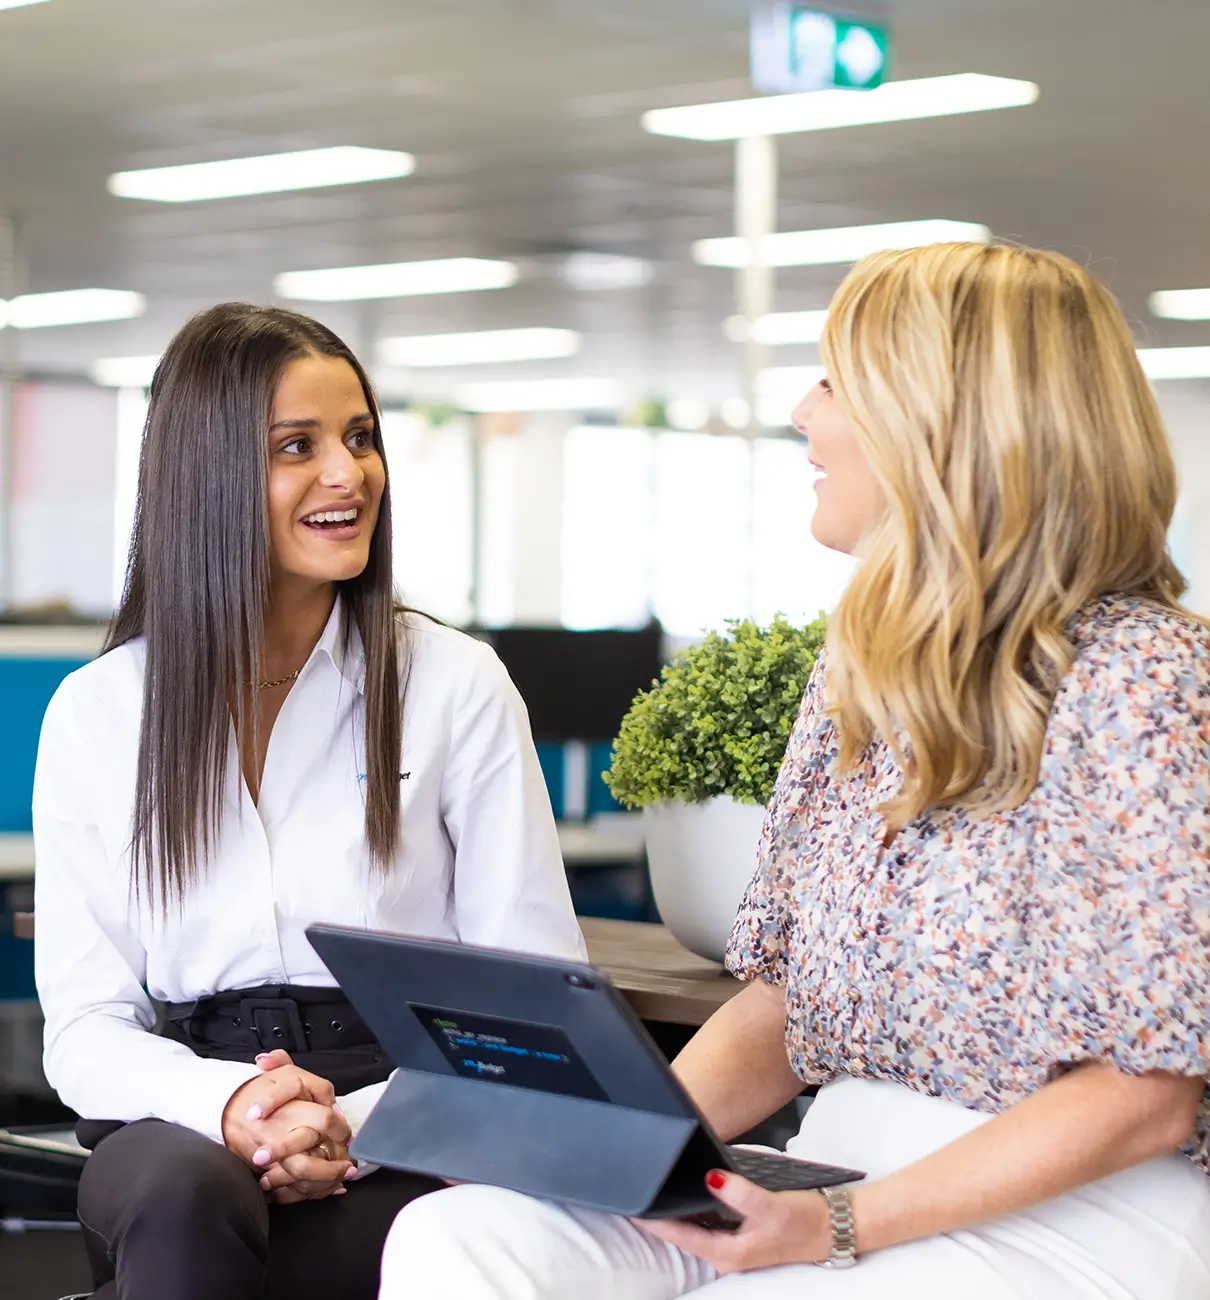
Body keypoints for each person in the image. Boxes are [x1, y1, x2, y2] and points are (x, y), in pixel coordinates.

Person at [376, 242, 1210, 1299]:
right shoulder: (860, 669)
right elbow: (783, 1001)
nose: (801, 414)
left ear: (935, 421)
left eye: (832, 380)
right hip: (833, 1166)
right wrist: (609, 1156)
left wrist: (837, 1226)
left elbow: (1148, 1094)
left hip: (1075, 1217)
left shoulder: (1148, 679)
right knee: (465, 1236)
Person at [32, 302, 586, 1300]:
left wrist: (347, 1126)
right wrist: (239, 1100)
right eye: (299, 445)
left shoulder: (451, 685)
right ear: (205, 475)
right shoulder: (101, 712)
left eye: (360, 437)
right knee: (179, 1204)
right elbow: (86, 1025)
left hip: (411, 1101)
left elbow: (531, 1005)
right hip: (181, 1107)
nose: (349, 474)